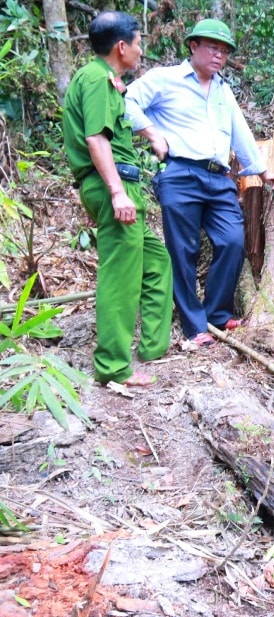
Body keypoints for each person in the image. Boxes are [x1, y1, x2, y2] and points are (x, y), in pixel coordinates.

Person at [125, 19, 274, 346]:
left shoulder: (223, 90)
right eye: (212, 48)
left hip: (219, 177)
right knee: (183, 250)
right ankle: (195, 327)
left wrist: (264, 174)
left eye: (224, 51)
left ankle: (217, 315)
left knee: (233, 240)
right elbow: (126, 102)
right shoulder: (165, 79)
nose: (219, 56)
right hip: (179, 173)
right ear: (193, 46)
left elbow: (241, 133)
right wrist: (151, 133)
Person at [62, 11, 173, 387]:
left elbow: (119, 125)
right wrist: (117, 192)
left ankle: (154, 348)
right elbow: (96, 139)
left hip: (125, 188)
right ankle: (112, 367)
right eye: (139, 43)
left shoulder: (106, 81)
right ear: (122, 46)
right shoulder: (95, 79)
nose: (141, 50)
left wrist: (150, 134)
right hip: (114, 187)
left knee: (157, 264)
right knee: (120, 278)